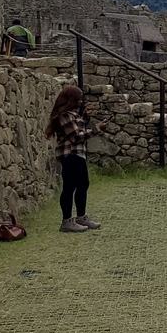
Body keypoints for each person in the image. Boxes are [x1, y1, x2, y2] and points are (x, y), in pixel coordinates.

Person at [45, 85, 107, 232]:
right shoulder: (64, 115)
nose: (80, 102)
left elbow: (78, 129)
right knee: (69, 188)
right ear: (70, 99)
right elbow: (76, 137)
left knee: (83, 185)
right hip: (70, 155)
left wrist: (85, 116)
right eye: (78, 99)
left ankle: (81, 217)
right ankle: (66, 221)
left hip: (78, 154)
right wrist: (97, 129)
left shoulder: (71, 114)